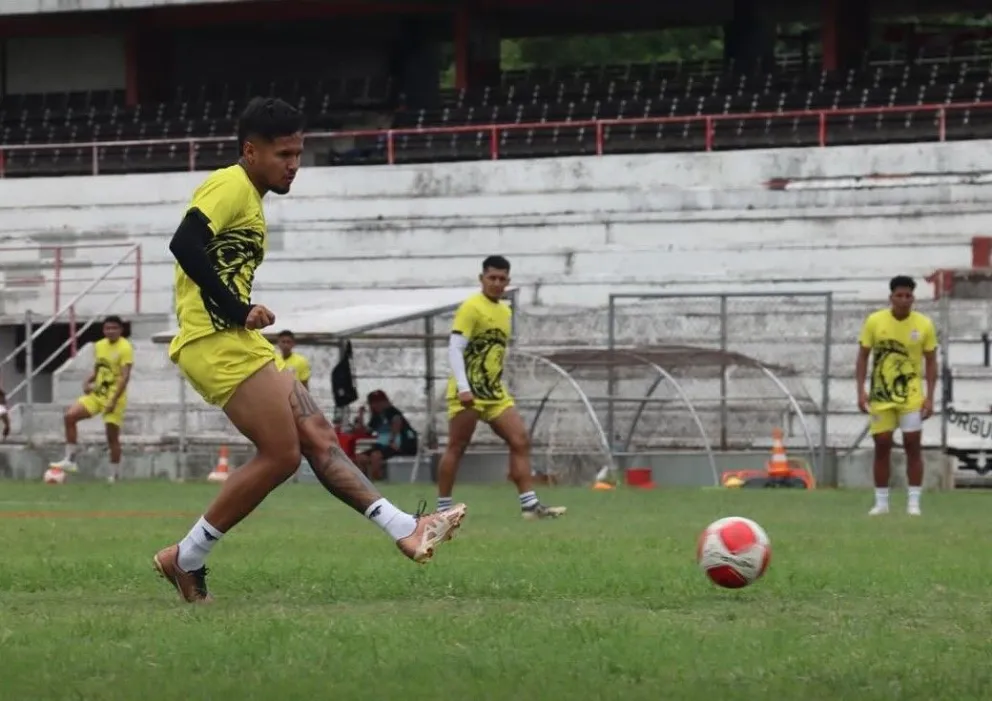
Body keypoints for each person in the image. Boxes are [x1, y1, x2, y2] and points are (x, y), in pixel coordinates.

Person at [154, 96, 465, 604]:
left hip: (239, 341)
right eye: (283, 155)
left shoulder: (252, 198)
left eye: (298, 153)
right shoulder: (230, 184)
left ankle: (407, 528)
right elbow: (184, 243)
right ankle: (184, 558)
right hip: (214, 342)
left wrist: (241, 316)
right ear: (250, 151)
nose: (294, 165)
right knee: (280, 456)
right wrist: (238, 308)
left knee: (320, 436)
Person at [437, 255, 566, 519]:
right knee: (457, 446)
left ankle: (529, 506)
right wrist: (463, 386)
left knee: (519, 439)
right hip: (468, 390)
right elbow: (455, 348)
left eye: (502, 279)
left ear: (508, 281)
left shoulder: (505, 311)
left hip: (494, 391)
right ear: (481, 279)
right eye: (492, 278)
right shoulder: (471, 307)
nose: (497, 283)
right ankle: (442, 510)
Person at [856, 275, 938, 516]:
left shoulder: (923, 324)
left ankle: (914, 503)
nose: (904, 300)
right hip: (881, 396)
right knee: (882, 445)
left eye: (908, 296)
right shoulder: (874, 321)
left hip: (911, 396)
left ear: (913, 298)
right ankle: (881, 503)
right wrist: (860, 390)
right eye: (899, 295)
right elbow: (862, 356)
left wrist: (930, 396)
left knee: (913, 445)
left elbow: (931, 362)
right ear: (891, 297)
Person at [49, 315, 133, 481]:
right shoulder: (100, 345)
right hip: (97, 394)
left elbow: (125, 377)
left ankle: (114, 474)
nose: (111, 331)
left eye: (114, 328)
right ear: (103, 330)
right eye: (107, 328)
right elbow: (98, 369)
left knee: (112, 437)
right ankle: (70, 459)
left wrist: (113, 401)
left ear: (121, 330)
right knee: (70, 416)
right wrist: (87, 381)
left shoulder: (125, 347)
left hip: (114, 398)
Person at [355, 390, 418, 480]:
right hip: (381, 445)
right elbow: (365, 431)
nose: (375, 405)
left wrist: (392, 440)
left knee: (375, 456)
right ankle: (364, 482)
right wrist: (360, 416)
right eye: (373, 403)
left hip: (395, 445)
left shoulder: (392, 411)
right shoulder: (376, 417)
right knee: (361, 457)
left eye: (378, 402)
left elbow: (397, 422)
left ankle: (377, 482)